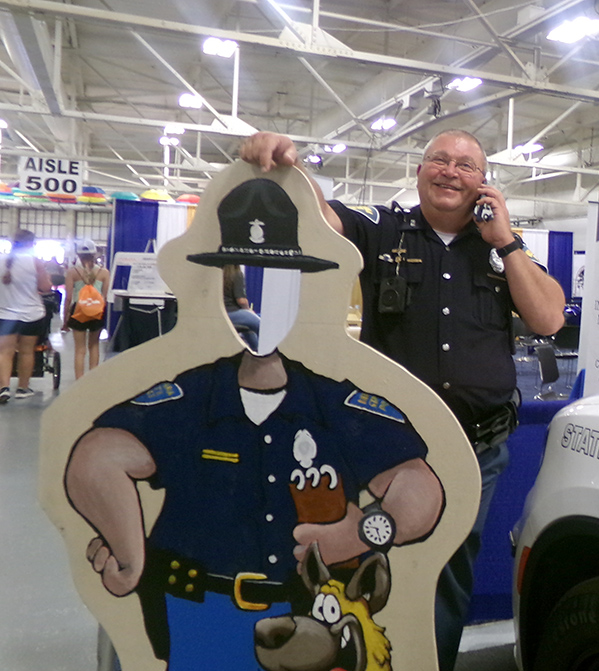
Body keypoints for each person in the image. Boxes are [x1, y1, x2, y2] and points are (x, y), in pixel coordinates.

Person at [64, 178, 445, 671]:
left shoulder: (339, 404)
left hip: (314, 621)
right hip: (201, 613)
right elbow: (98, 455)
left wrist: (371, 530)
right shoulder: (189, 397)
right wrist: (128, 549)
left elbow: (418, 484)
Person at [240, 128, 566, 671]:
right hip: (383, 449)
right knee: (371, 566)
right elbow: (321, 218)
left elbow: (549, 317)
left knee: (446, 571)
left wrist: (506, 241)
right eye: (439, 160)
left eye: (466, 166)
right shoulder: (383, 227)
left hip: (475, 451)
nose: (450, 171)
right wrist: (289, 169)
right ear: (419, 171)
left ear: (483, 184)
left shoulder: (502, 251)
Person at [0, 229, 52, 403]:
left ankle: (4, 387)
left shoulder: (2, 260)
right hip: (32, 314)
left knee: (5, 352)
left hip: (6, 314)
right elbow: (46, 287)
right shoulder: (35, 262)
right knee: (26, 351)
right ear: (31, 244)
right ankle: (23, 388)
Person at [63, 239, 110, 379]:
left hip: (78, 310)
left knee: (80, 349)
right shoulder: (104, 272)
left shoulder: (73, 272)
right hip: (97, 311)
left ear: (78, 254)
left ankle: (79, 380)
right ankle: (93, 380)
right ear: (94, 254)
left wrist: (65, 319)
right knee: (94, 345)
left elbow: (68, 297)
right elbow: (105, 297)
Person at [222, 263, 261, 350]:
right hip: (232, 312)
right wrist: (249, 310)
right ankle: (265, 352)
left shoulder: (221, 275)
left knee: (249, 330)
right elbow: (241, 300)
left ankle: (256, 350)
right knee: (260, 323)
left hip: (222, 313)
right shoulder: (237, 274)